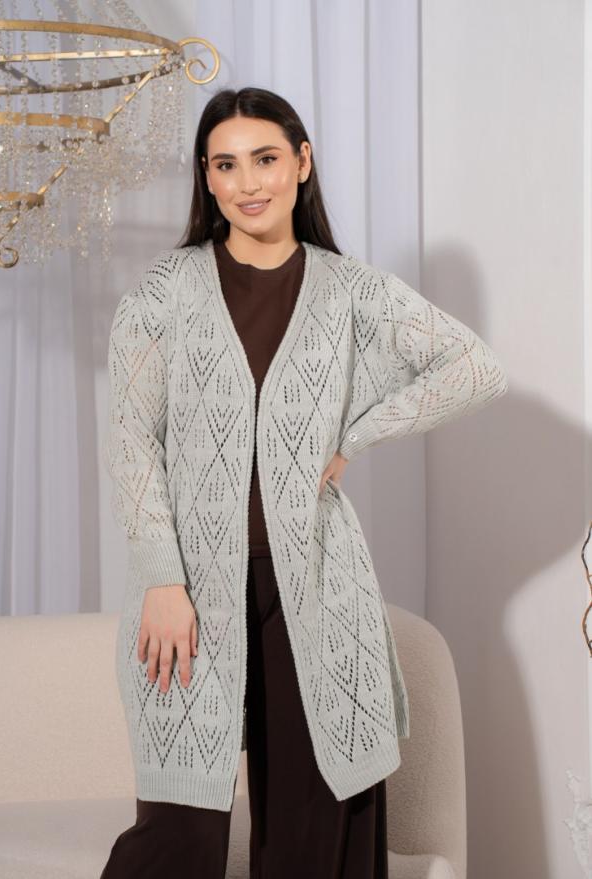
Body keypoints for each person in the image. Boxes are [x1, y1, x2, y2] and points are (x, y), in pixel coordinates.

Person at [100, 86, 508, 879]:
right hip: (190, 587)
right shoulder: (164, 290)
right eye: (225, 164)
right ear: (206, 177)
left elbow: (474, 367)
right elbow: (132, 439)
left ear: (301, 163)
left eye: (264, 158)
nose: (247, 182)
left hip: (318, 589)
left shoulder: (350, 290)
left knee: (317, 834)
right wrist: (160, 578)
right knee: (177, 834)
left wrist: (356, 433)